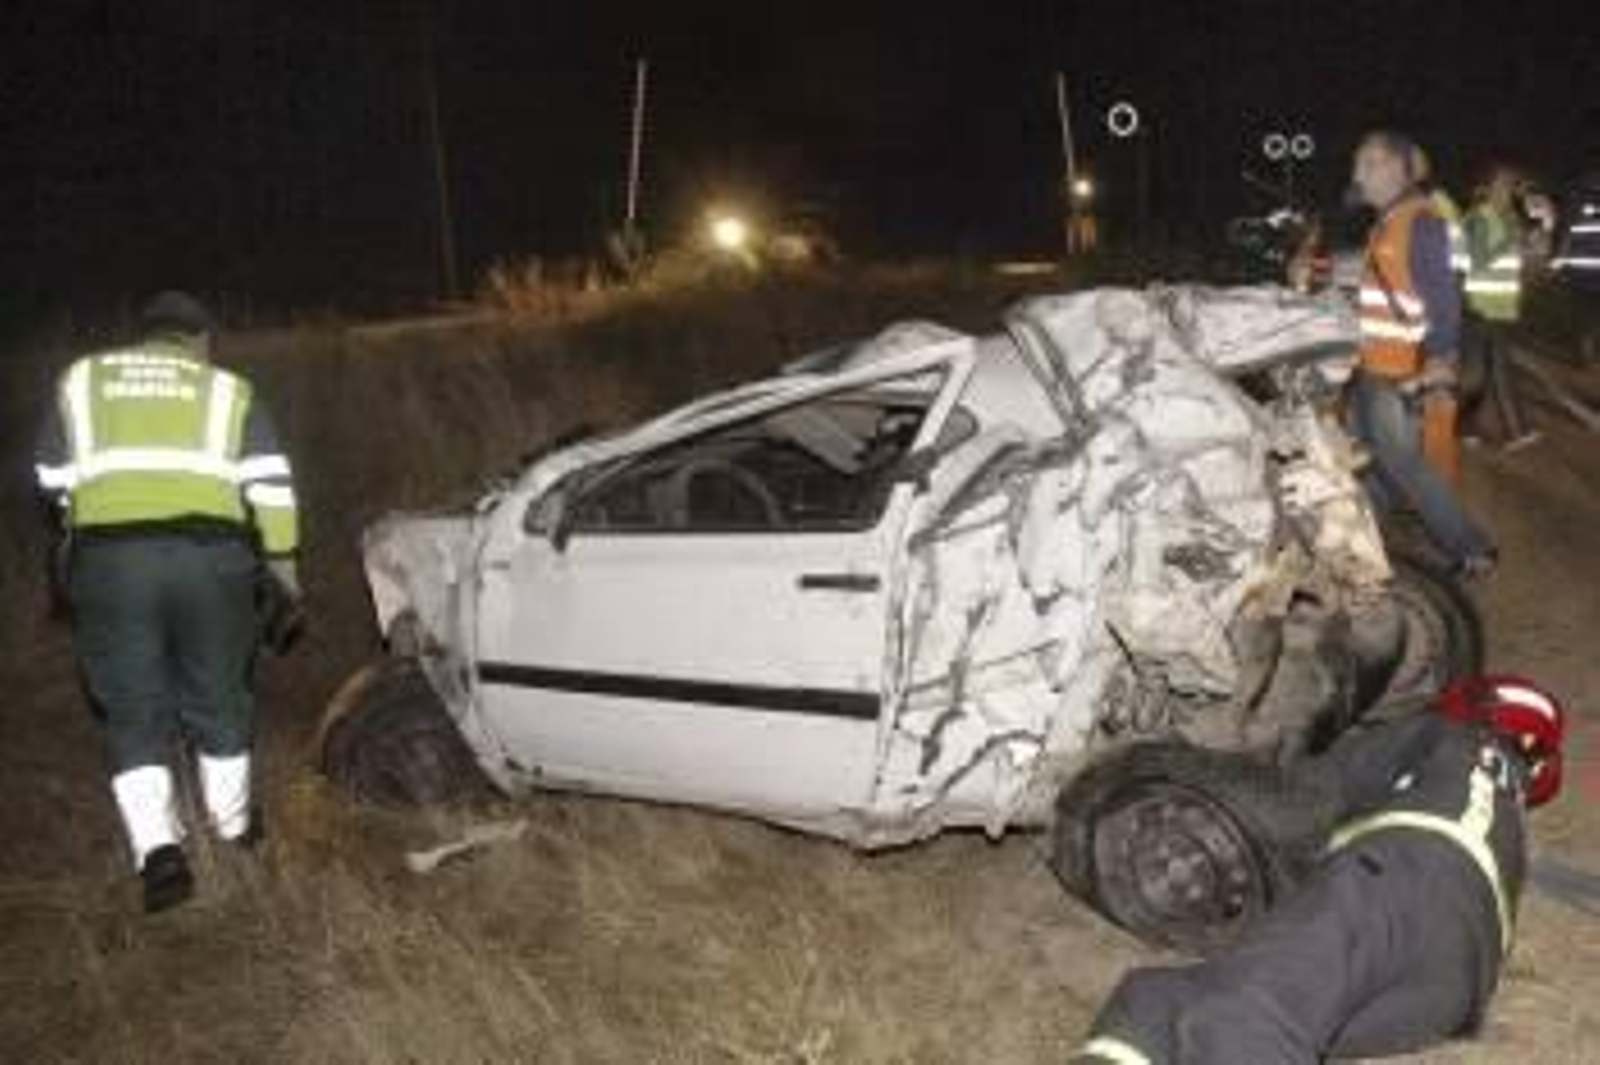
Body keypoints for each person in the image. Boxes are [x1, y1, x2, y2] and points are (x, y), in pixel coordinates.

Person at [1072, 675, 1567, 1064]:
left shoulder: (1445, 734)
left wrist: (1185, 761)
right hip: (1448, 991)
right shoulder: (1508, 817)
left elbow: (1310, 799)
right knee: (1159, 1000)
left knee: (1243, 1021)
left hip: (1394, 887)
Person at [33, 291, 302, 913]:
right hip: (212, 562)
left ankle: (159, 854)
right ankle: (233, 829)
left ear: (143, 337)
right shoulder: (226, 389)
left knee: (132, 706)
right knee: (219, 694)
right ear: (199, 340)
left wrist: (90, 512)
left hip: (112, 563)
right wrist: (285, 572)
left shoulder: (82, 379)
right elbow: (271, 487)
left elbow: (49, 480)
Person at [1345, 131, 1496, 578]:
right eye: (1357, 165)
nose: (1357, 175)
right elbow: (1376, 279)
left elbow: (1444, 297)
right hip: (1375, 369)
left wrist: (1440, 361)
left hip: (1401, 375)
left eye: (1368, 163)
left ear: (1397, 168)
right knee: (1373, 463)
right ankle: (1359, 543)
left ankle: (1472, 548)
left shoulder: (1423, 223)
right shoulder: (1386, 224)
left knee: (1405, 466)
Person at [1460, 165, 1551, 450]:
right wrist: (1512, 239)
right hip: (1479, 306)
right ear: (1487, 188)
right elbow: (1477, 260)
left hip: (1502, 306)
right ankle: (1515, 430)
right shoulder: (1478, 217)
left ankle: (1467, 427)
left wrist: (1538, 240)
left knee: (1481, 374)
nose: (1508, 189)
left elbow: (1526, 260)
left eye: (1510, 184)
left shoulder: (1510, 217)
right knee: (1491, 371)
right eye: (1502, 183)